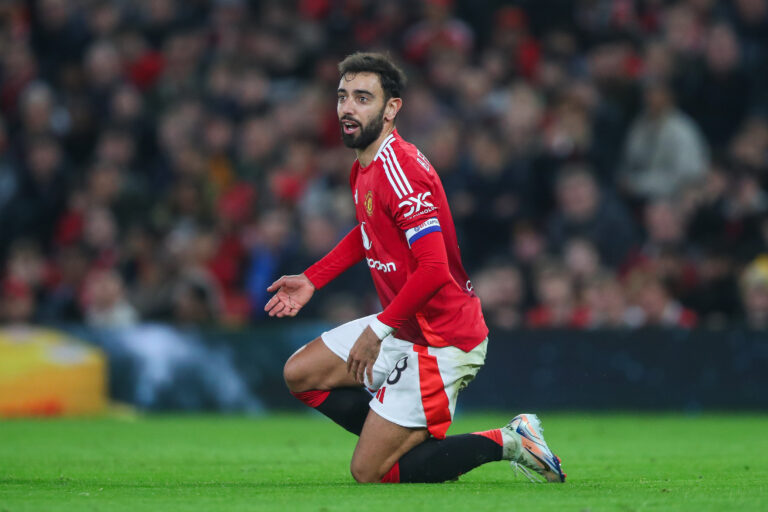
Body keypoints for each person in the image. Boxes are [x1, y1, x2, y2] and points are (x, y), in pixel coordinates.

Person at [265, 52, 565, 484]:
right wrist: (314, 278)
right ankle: (398, 434)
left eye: (363, 98)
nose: (348, 108)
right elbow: (370, 231)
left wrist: (378, 329)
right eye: (343, 96)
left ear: (391, 109)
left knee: (370, 473)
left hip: (441, 338)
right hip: (405, 325)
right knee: (300, 374)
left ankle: (511, 440)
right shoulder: (364, 168)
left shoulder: (400, 170)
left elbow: (434, 269)